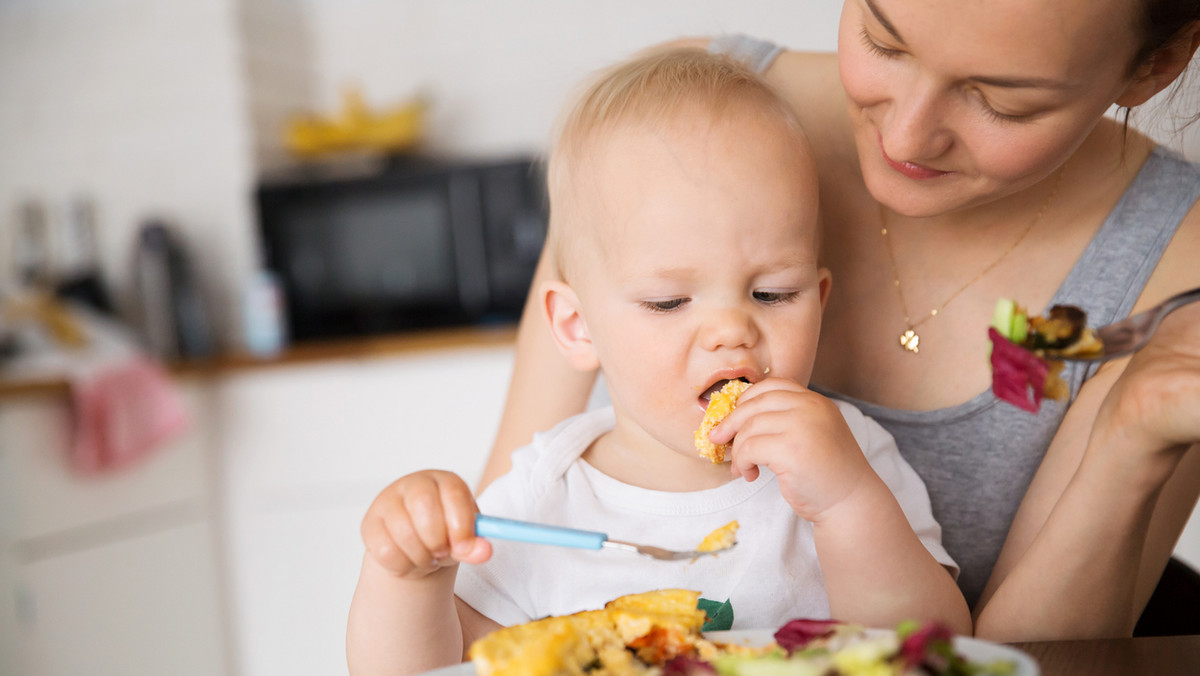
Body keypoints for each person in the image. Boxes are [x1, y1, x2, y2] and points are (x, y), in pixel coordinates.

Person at [481, 0, 1200, 642]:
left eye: (1003, 102)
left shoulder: (1179, 258)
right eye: (884, 40)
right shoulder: (666, 119)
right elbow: (484, 566)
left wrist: (1131, 439)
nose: (908, 136)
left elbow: (991, 658)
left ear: (1155, 66)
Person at [346, 48, 971, 676]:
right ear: (577, 326)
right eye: (669, 302)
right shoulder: (545, 494)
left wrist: (846, 503)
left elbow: (941, 647)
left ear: (820, 299)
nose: (732, 331)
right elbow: (435, 666)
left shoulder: (848, 455)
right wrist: (408, 578)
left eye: (773, 293)